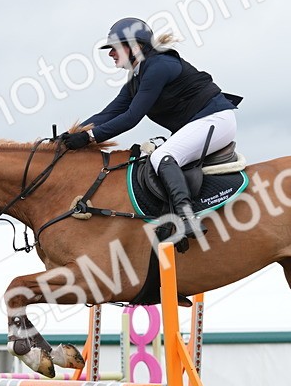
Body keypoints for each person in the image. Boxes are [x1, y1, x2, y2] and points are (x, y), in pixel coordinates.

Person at [59, 17, 241, 249]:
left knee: (161, 156)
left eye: (115, 48)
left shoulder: (158, 67)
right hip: (204, 122)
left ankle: (187, 218)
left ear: (135, 47)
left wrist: (88, 138)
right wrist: (69, 135)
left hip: (215, 120)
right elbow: (109, 113)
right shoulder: (137, 77)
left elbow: (131, 117)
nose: (110, 54)